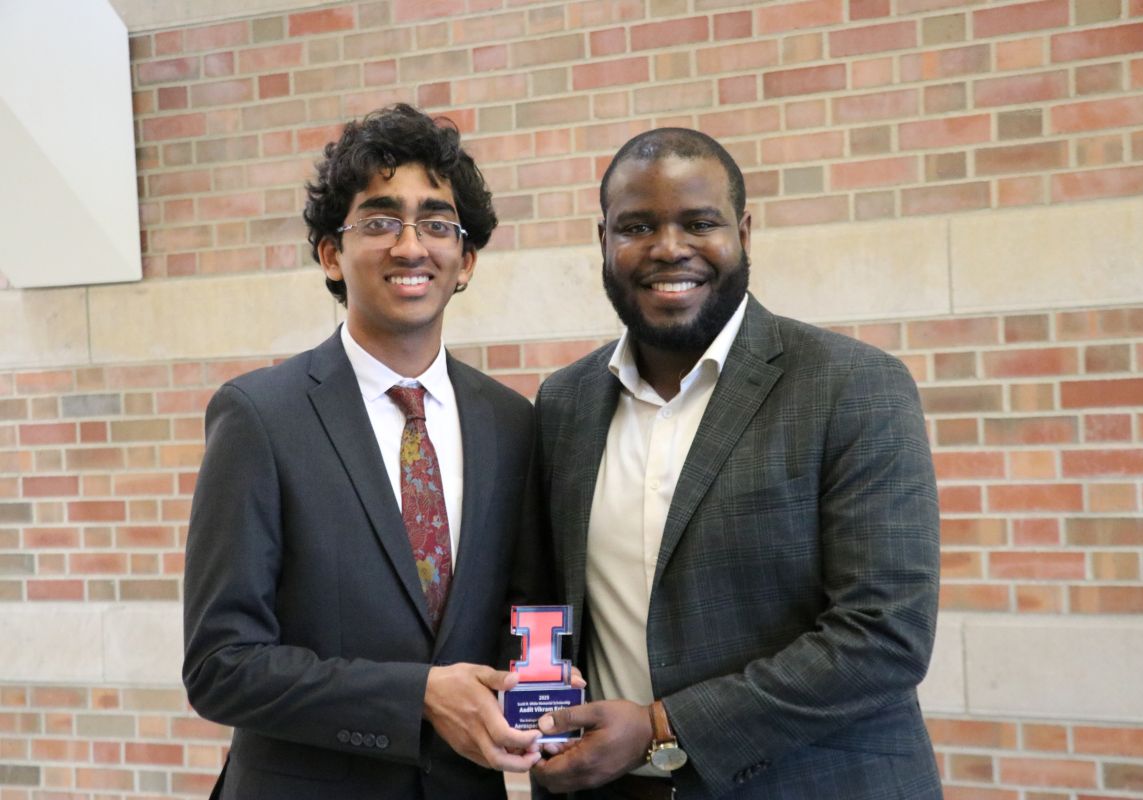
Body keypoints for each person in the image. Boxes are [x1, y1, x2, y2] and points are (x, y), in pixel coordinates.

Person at [523, 128, 943, 799]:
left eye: (699, 223)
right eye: (636, 226)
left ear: (743, 232)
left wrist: (663, 727)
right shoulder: (565, 403)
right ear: (602, 240)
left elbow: (884, 636)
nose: (668, 248)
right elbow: (547, 608)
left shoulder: (852, 386)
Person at [182, 103, 542, 799]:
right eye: (379, 221)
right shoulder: (260, 417)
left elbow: (516, 620)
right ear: (330, 253)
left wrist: (537, 679)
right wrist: (417, 696)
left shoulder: (512, 424)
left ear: (465, 261)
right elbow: (221, 666)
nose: (411, 246)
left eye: (437, 224)